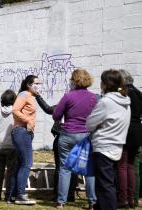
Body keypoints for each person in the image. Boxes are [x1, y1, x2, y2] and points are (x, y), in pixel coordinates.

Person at [86, 69, 131, 210]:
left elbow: (89, 124)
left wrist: (99, 125)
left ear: (105, 84)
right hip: (117, 145)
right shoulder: (125, 101)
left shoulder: (106, 101)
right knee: (108, 184)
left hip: (103, 146)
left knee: (105, 186)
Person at [53, 68, 97, 209]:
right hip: (85, 135)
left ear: (74, 80)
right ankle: (92, 201)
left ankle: (61, 201)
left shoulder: (68, 96)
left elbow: (56, 116)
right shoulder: (93, 97)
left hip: (67, 135)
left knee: (65, 168)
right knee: (89, 168)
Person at [35, 95, 78, 202]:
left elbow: (47, 109)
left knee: (60, 167)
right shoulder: (81, 107)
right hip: (76, 137)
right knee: (73, 167)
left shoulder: (61, 105)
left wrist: (37, 96)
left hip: (61, 137)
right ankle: (71, 195)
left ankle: (59, 195)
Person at [11, 75, 41, 205]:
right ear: (29, 84)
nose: (38, 86)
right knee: (27, 164)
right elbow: (15, 110)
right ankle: (21, 195)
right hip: (22, 132)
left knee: (20, 164)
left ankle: (13, 195)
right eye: (36, 83)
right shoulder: (24, 94)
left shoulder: (30, 96)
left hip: (25, 132)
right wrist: (28, 120)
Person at [117, 69, 142, 208]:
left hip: (125, 131)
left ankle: (123, 199)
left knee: (122, 166)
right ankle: (132, 199)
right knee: (131, 166)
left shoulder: (123, 93)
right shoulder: (139, 93)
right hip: (138, 131)